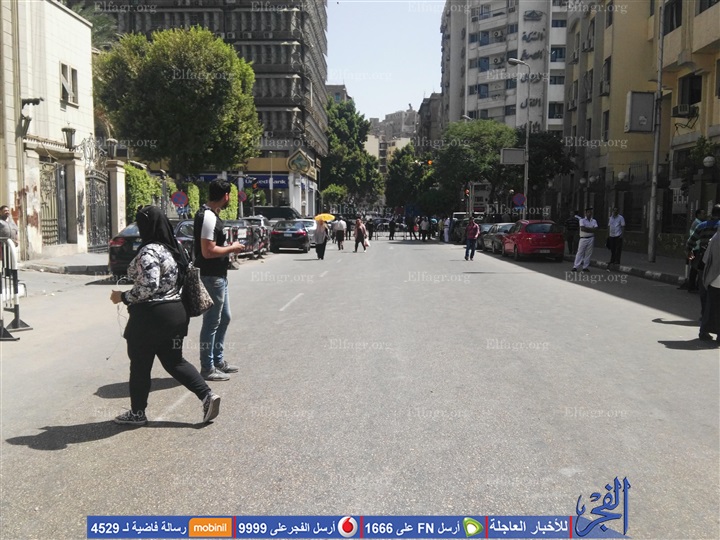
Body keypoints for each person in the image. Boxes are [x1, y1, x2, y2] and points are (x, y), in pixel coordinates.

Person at [110, 205, 221, 425]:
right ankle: (207, 395)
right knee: (174, 361)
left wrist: (122, 297)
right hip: (176, 313)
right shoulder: (175, 248)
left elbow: (149, 286)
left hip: (150, 317)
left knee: (140, 365)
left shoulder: (149, 251)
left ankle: (137, 413)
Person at [194, 180, 246, 382]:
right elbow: (208, 251)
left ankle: (218, 361)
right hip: (211, 277)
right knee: (212, 322)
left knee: (224, 318)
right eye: (229, 195)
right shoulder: (208, 216)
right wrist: (232, 248)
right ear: (225, 196)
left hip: (218, 276)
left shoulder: (211, 215)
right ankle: (207, 367)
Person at [687, 204, 720, 339]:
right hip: (716, 266)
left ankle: (704, 322)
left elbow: (690, 242)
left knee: (705, 295)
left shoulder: (702, 226)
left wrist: (690, 253)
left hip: (703, 262)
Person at [701, 231, 720, 344]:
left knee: (710, 307)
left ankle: (703, 331)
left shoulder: (715, 237)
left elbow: (705, 259)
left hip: (713, 278)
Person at [682, 209, 707, 292]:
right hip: (696, 249)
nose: (704, 215)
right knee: (695, 268)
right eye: (703, 214)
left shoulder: (696, 223)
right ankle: (692, 286)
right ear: (698, 215)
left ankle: (692, 285)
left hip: (693, 248)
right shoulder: (698, 224)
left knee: (694, 267)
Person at [573, 207, 598, 272]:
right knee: (580, 252)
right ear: (586, 213)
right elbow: (582, 229)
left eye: (590, 212)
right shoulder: (582, 220)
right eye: (588, 212)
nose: (589, 213)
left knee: (588, 253)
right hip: (583, 238)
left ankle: (585, 267)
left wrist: (587, 229)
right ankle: (575, 266)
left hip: (591, 238)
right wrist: (591, 229)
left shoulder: (594, 221)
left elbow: (596, 229)